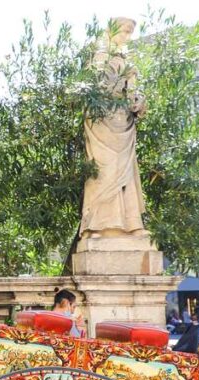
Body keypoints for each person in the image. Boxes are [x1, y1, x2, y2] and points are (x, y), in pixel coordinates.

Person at [79, 17, 147, 238]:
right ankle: (96, 226)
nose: (126, 36)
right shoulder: (97, 56)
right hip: (100, 121)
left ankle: (132, 224)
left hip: (123, 121)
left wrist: (138, 102)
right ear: (111, 31)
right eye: (123, 31)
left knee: (125, 172)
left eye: (130, 33)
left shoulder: (128, 61)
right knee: (103, 171)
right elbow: (90, 90)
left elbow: (134, 90)